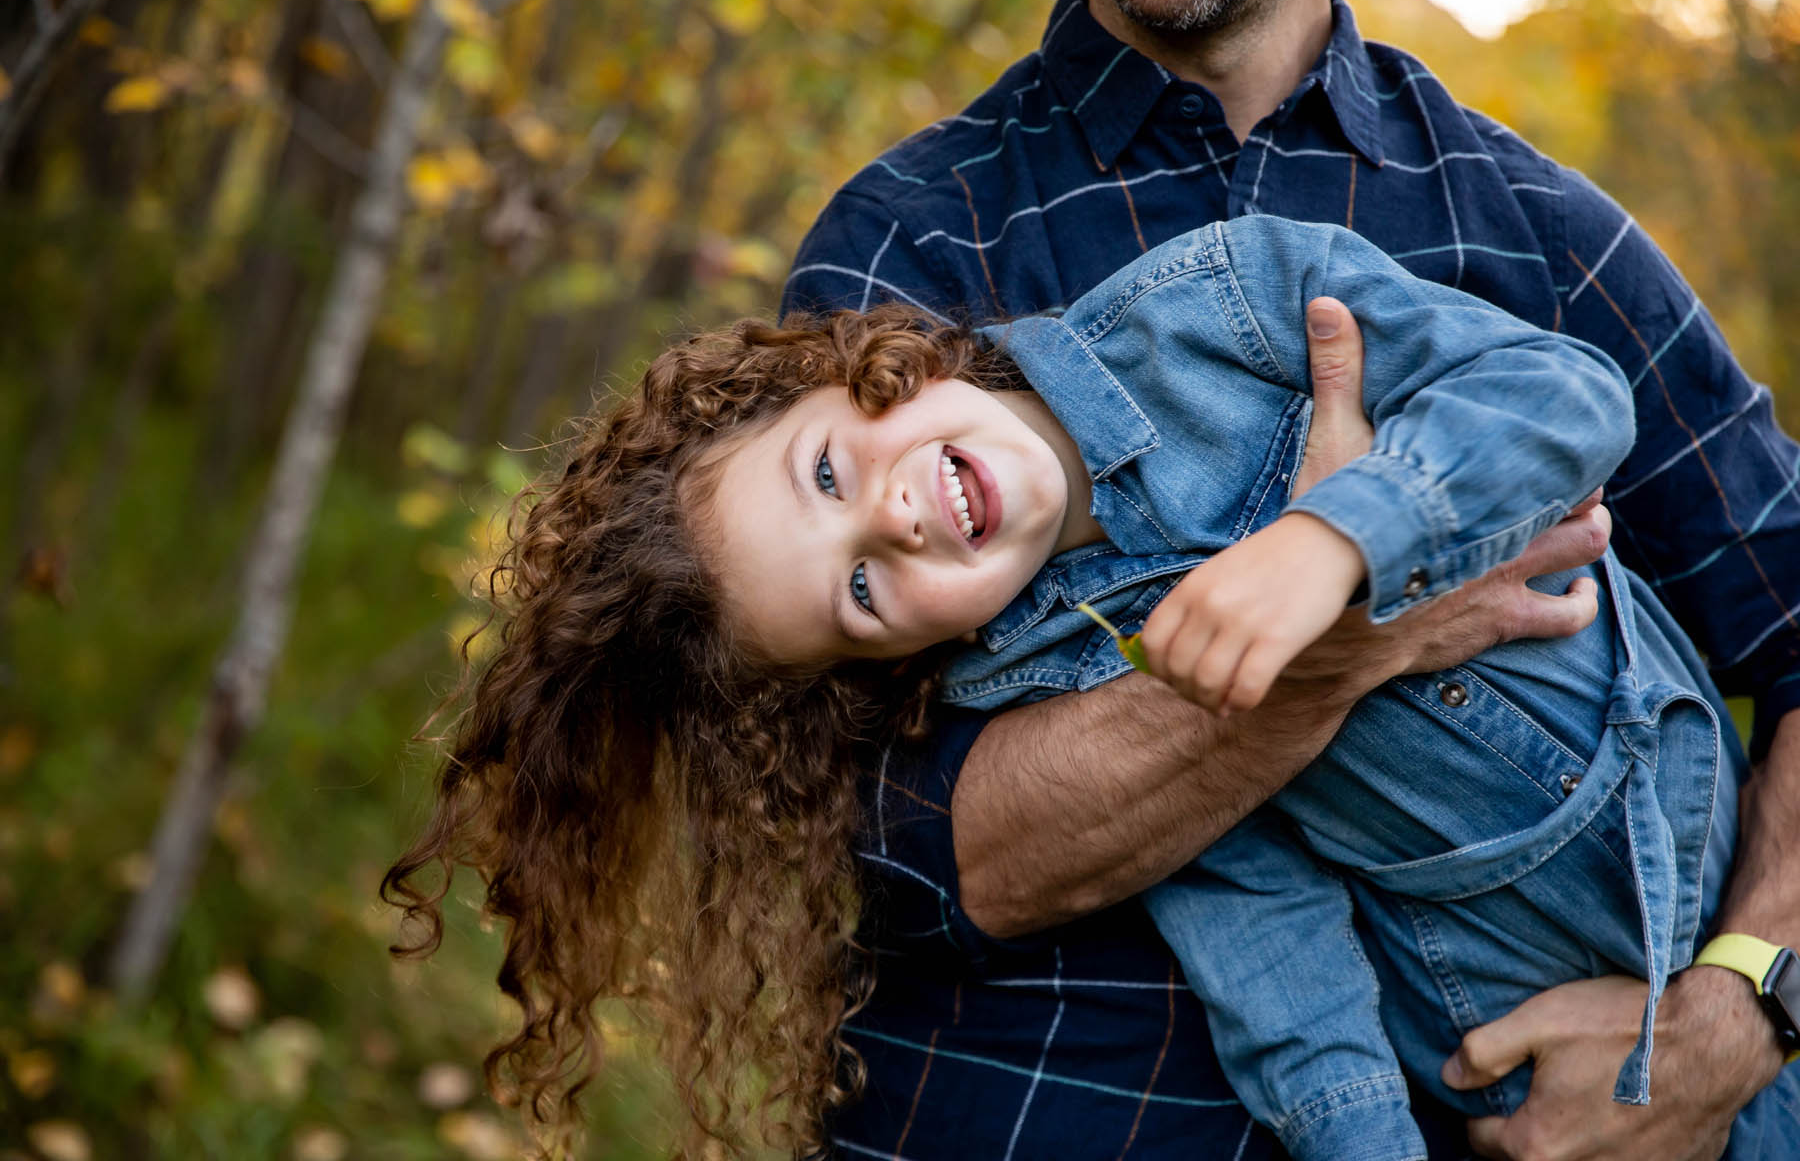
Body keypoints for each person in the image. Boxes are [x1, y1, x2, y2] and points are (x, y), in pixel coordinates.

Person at [381, 211, 1763, 1160]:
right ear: (891, 660)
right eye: (859, 588)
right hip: (1493, 1008)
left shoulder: (1220, 309)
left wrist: (1333, 544)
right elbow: (1262, 929)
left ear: (878, 369)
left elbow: (1562, 397)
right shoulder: (1048, 684)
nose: (898, 518)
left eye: (828, 473)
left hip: (1693, 828)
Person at [780, 0, 1800, 1158]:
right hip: (1012, 1108)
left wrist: (1741, 1010)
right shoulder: (911, 237)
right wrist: (1325, 660)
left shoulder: (1545, 236)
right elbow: (860, 841)